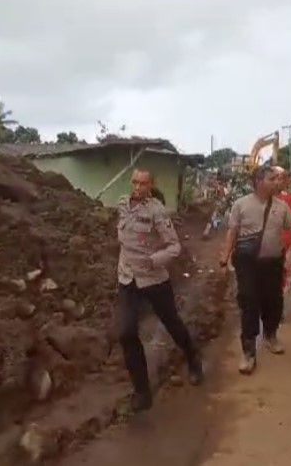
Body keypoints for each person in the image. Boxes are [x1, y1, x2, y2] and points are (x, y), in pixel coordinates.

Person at [115, 169, 203, 412]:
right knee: (125, 332)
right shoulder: (122, 205)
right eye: (134, 182)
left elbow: (174, 247)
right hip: (128, 279)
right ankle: (142, 391)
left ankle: (193, 359)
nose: (138, 187)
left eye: (143, 183)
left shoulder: (157, 211)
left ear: (151, 185)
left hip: (154, 279)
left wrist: (153, 260)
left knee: (172, 322)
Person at [219, 166, 291, 374]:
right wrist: (224, 259)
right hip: (247, 263)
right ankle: (249, 351)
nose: (277, 182)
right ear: (259, 182)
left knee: (274, 301)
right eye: (272, 178)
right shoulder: (240, 204)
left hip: (273, 262)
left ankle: (270, 335)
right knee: (249, 301)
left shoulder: (282, 206)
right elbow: (232, 232)